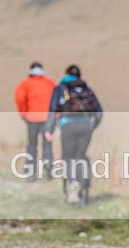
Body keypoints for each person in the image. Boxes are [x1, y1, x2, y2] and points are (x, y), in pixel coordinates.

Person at [44, 64, 103, 208]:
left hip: (68, 126)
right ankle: (83, 188)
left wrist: (49, 130)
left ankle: (73, 183)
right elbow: (99, 112)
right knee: (81, 156)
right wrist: (92, 126)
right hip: (85, 125)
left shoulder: (60, 89)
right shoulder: (87, 89)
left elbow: (53, 110)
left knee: (68, 157)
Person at [15, 61, 56, 179]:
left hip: (32, 118)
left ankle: (30, 172)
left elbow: (20, 98)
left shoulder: (25, 83)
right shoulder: (50, 83)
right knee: (47, 144)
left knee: (32, 145)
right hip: (48, 119)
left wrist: (23, 113)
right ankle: (49, 169)